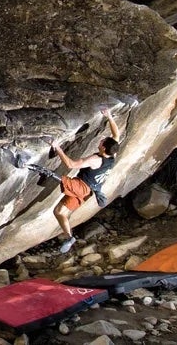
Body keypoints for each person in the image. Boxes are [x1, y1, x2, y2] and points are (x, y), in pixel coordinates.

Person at [26, 107, 121, 254]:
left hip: (82, 187)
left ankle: (47, 172)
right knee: (59, 212)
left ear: (103, 148)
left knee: (67, 183)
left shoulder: (96, 160)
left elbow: (70, 164)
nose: (101, 139)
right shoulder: (112, 153)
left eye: (102, 141)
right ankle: (69, 237)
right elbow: (116, 134)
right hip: (88, 193)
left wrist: (57, 147)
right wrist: (109, 116)